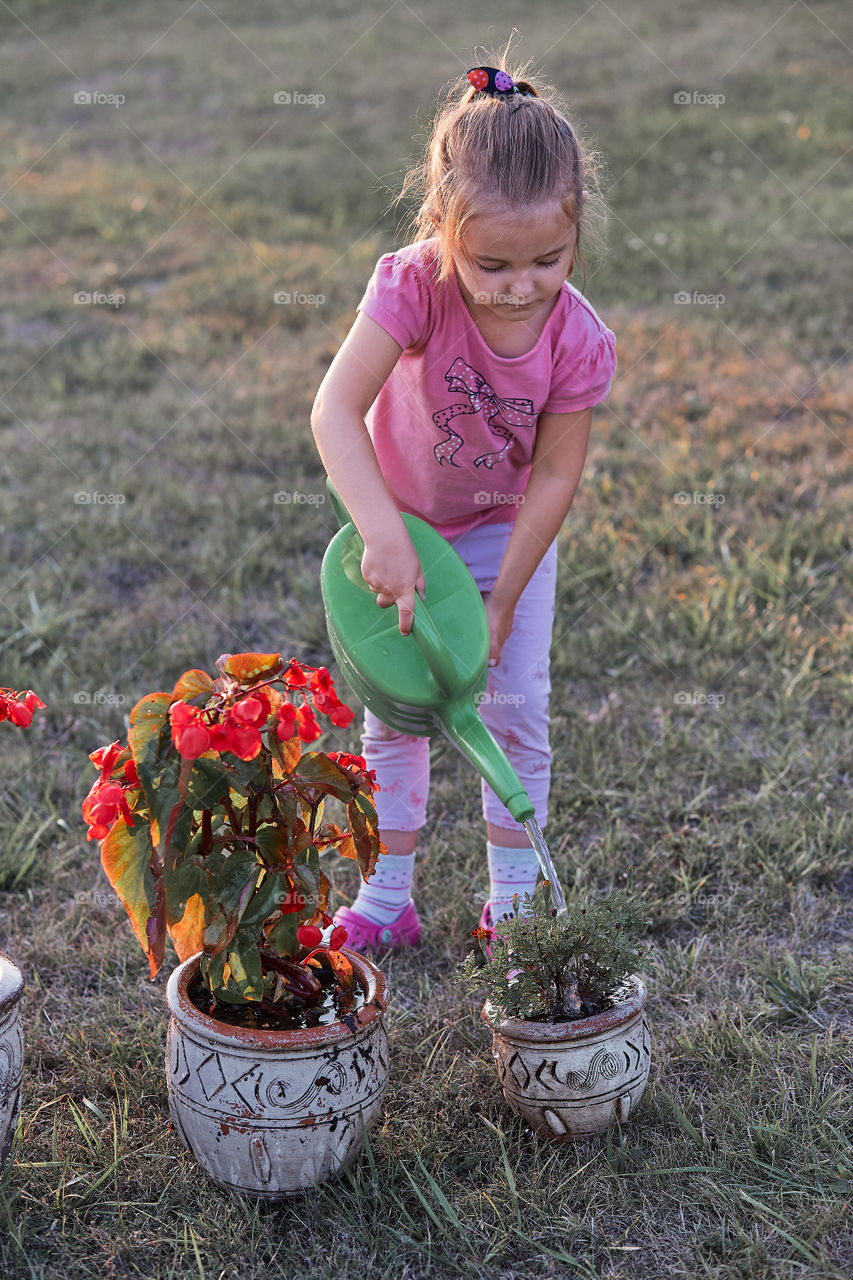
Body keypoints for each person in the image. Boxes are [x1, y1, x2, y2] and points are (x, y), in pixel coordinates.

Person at [311, 55, 616, 950]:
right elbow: (334, 408)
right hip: (401, 531)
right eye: (492, 262)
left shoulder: (576, 341)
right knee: (396, 712)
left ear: (575, 236)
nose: (520, 284)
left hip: (498, 540)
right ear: (442, 227)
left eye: (546, 260)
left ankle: (515, 903)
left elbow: (554, 478)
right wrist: (380, 534)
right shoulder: (412, 287)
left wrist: (502, 600)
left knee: (514, 708)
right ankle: (386, 894)